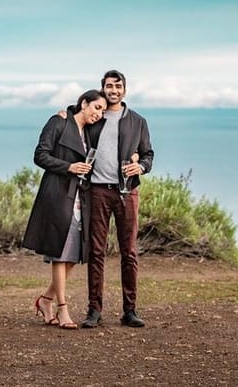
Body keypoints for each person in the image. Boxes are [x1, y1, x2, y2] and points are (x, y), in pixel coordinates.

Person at [22, 89, 107, 330]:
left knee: (71, 256)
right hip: (58, 196)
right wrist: (69, 167)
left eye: (102, 110)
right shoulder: (58, 122)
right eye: (96, 107)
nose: (98, 114)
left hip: (80, 199)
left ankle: (45, 300)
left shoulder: (87, 132)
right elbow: (40, 156)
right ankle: (62, 309)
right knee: (60, 254)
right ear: (84, 103)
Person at [79, 69, 154, 329]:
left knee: (129, 253)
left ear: (125, 89)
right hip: (98, 191)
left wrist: (141, 167)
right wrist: (63, 113)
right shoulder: (95, 117)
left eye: (118, 86)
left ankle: (130, 311)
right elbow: (78, 113)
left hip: (127, 192)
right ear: (103, 88)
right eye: (109, 86)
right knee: (96, 252)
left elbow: (148, 155)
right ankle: (94, 311)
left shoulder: (137, 121)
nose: (114, 90)